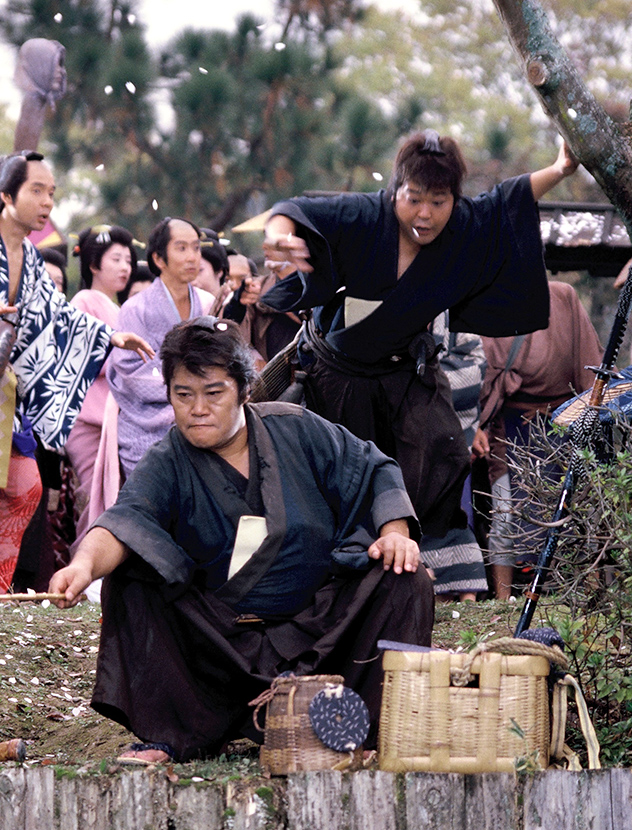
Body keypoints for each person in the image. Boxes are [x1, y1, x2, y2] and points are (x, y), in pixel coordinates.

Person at [50, 318, 433, 763]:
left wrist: (395, 534)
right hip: (223, 647)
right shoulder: (168, 461)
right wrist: (81, 568)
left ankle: (359, 728)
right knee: (133, 578)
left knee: (405, 580)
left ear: (244, 390)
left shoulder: (296, 429)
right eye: (183, 395)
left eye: (213, 393)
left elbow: (373, 468)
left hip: (323, 629)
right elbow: (122, 523)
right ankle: (176, 732)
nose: (197, 409)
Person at [262, 131, 578, 577]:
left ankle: (420, 560)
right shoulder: (364, 214)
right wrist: (278, 237)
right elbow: (293, 210)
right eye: (414, 199)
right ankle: (345, 564)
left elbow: (509, 198)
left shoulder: (465, 226)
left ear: (453, 200)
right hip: (339, 375)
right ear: (396, 190)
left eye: (439, 201)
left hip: (405, 373)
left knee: (444, 450)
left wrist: (562, 169)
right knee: (343, 471)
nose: (425, 214)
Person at [0, 151, 152, 593]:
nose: (46, 202)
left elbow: (57, 318)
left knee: (25, 487)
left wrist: (108, 337)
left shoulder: (32, 258)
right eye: (36, 191)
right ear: (6, 195)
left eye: (51, 193)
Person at [476, 280, 603, 598]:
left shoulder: (562, 296)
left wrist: (589, 413)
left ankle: (587, 590)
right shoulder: (483, 297)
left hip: (564, 422)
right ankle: (503, 598)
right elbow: (481, 371)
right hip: (510, 429)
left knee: (576, 511)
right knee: (505, 515)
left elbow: (588, 363)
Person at [105, 217, 214, 478]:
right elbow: (132, 371)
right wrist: (191, 388)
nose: (192, 257)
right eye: (181, 248)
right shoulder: (135, 309)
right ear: (158, 259)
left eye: (196, 248)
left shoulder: (209, 304)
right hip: (147, 427)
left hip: (201, 417)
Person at [67, 225, 137, 532]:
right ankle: (88, 572)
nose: (125, 267)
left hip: (118, 420)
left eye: (129, 261)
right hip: (88, 419)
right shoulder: (83, 301)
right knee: (93, 498)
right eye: (117, 259)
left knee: (115, 498)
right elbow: (74, 358)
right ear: (94, 265)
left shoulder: (122, 309)